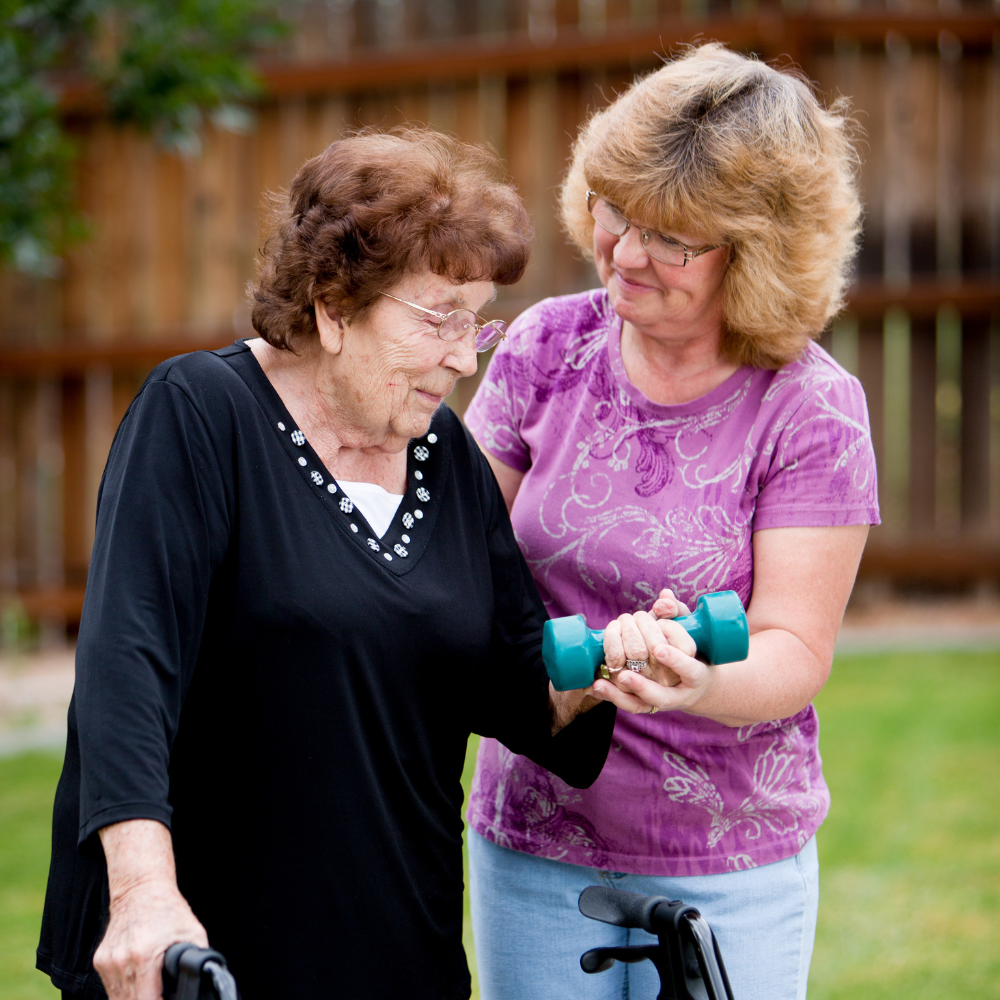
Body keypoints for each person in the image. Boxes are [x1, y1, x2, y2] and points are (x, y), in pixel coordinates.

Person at [36, 130, 668, 1000]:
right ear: (334, 306)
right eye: (436, 317)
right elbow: (125, 671)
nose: (464, 356)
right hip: (205, 952)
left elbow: (517, 682)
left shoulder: (442, 451)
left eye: (474, 318)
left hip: (395, 945)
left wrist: (608, 664)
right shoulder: (199, 417)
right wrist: (143, 893)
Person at [464, 43, 879, 1000]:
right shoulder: (544, 348)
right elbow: (461, 559)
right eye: (618, 213)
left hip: (731, 861)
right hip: (537, 833)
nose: (626, 253)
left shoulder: (812, 407)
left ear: (759, 248)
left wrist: (694, 680)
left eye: (674, 238)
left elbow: (791, 650)